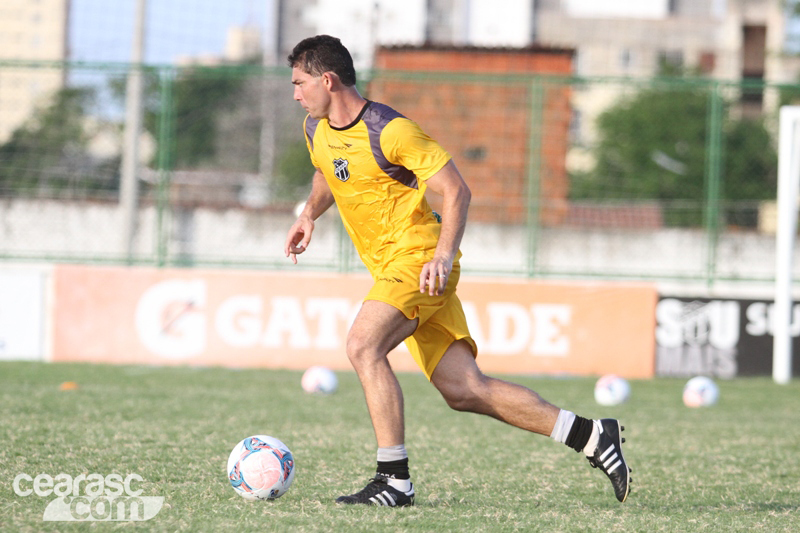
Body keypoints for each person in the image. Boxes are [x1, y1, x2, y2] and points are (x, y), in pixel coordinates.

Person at [284, 35, 632, 507]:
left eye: (300, 82)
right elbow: (328, 170)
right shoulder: (315, 128)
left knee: (363, 345)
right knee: (465, 389)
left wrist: (442, 256)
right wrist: (309, 214)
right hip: (392, 269)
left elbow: (456, 190)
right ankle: (592, 435)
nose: (296, 93)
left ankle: (394, 480)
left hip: (419, 260)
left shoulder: (390, 130)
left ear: (327, 79)